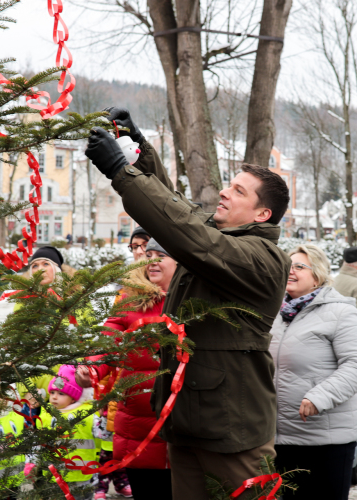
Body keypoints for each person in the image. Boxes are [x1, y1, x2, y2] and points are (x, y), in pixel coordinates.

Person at [82, 107, 291, 499]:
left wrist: (122, 174)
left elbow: (189, 234)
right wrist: (139, 152)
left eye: (239, 191)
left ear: (263, 214)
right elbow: (179, 210)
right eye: (230, 185)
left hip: (233, 431)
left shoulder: (264, 257)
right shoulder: (216, 235)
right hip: (187, 422)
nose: (225, 192)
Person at [269, 244, 357, 500]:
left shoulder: (341, 311)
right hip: (280, 438)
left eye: (300, 267)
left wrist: (320, 397)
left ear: (318, 275)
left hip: (327, 440)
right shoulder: (274, 313)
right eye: (287, 266)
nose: (290, 272)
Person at [95, 238, 175, 500]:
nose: (151, 261)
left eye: (160, 255)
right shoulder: (132, 297)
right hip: (137, 423)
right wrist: (93, 369)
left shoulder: (193, 303)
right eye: (148, 255)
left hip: (180, 424)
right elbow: (109, 341)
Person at [34, 365, 97, 500]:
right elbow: (39, 439)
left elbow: (101, 433)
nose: (55, 397)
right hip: (53, 475)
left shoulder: (87, 413)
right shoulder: (46, 412)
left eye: (61, 393)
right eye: (52, 393)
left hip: (80, 475)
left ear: (74, 397)